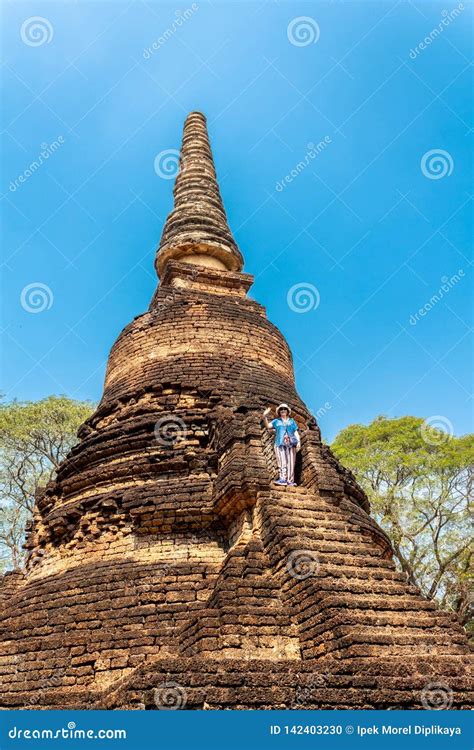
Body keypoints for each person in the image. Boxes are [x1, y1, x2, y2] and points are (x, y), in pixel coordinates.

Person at [263, 403, 301, 486]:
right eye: (281, 409)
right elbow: (268, 426)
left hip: (291, 443)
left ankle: (290, 481)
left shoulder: (292, 421)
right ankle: (283, 479)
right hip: (279, 443)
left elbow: (295, 432)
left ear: (287, 411)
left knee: (291, 462)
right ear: (279, 412)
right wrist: (264, 416)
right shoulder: (276, 421)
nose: (283, 410)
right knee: (282, 462)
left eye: (284, 409)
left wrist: (298, 442)